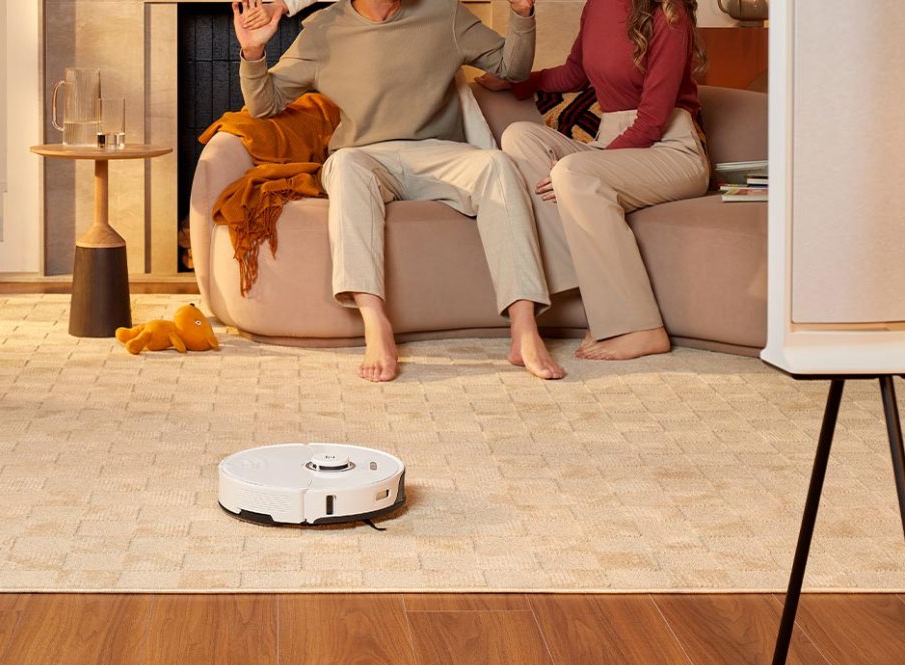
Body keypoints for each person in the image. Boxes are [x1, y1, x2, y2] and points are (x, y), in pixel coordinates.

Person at [233, 0, 567, 382]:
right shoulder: (325, 29)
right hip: (366, 157)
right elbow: (264, 106)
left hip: (438, 152)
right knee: (343, 166)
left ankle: (524, 327)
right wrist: (254, 52)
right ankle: (376, 324)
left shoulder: (446, 14)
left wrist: (523, 13)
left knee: (498, 165)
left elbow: (512, 67)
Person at [477, 0, 711, 361]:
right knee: (520, 137)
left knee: (572, 173)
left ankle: (641, 327)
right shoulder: (596, 5)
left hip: (671, 149)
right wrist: (515, 83)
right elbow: (574, 74)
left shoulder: (669, 11)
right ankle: (582, 289)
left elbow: (651, 121)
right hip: (612, 138)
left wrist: (590, 164)